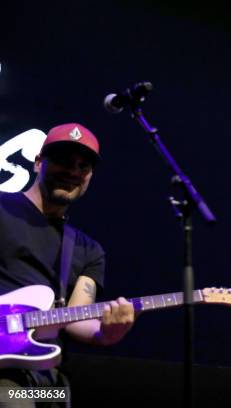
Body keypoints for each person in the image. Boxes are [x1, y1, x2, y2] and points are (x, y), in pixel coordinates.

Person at [0, 123, 136, 407]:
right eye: (63, 160)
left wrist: (106, 333)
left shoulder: (88, 249)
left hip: (47, 378)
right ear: (39, 163)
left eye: (82, 166)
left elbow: (75, 317)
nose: (73, 172)